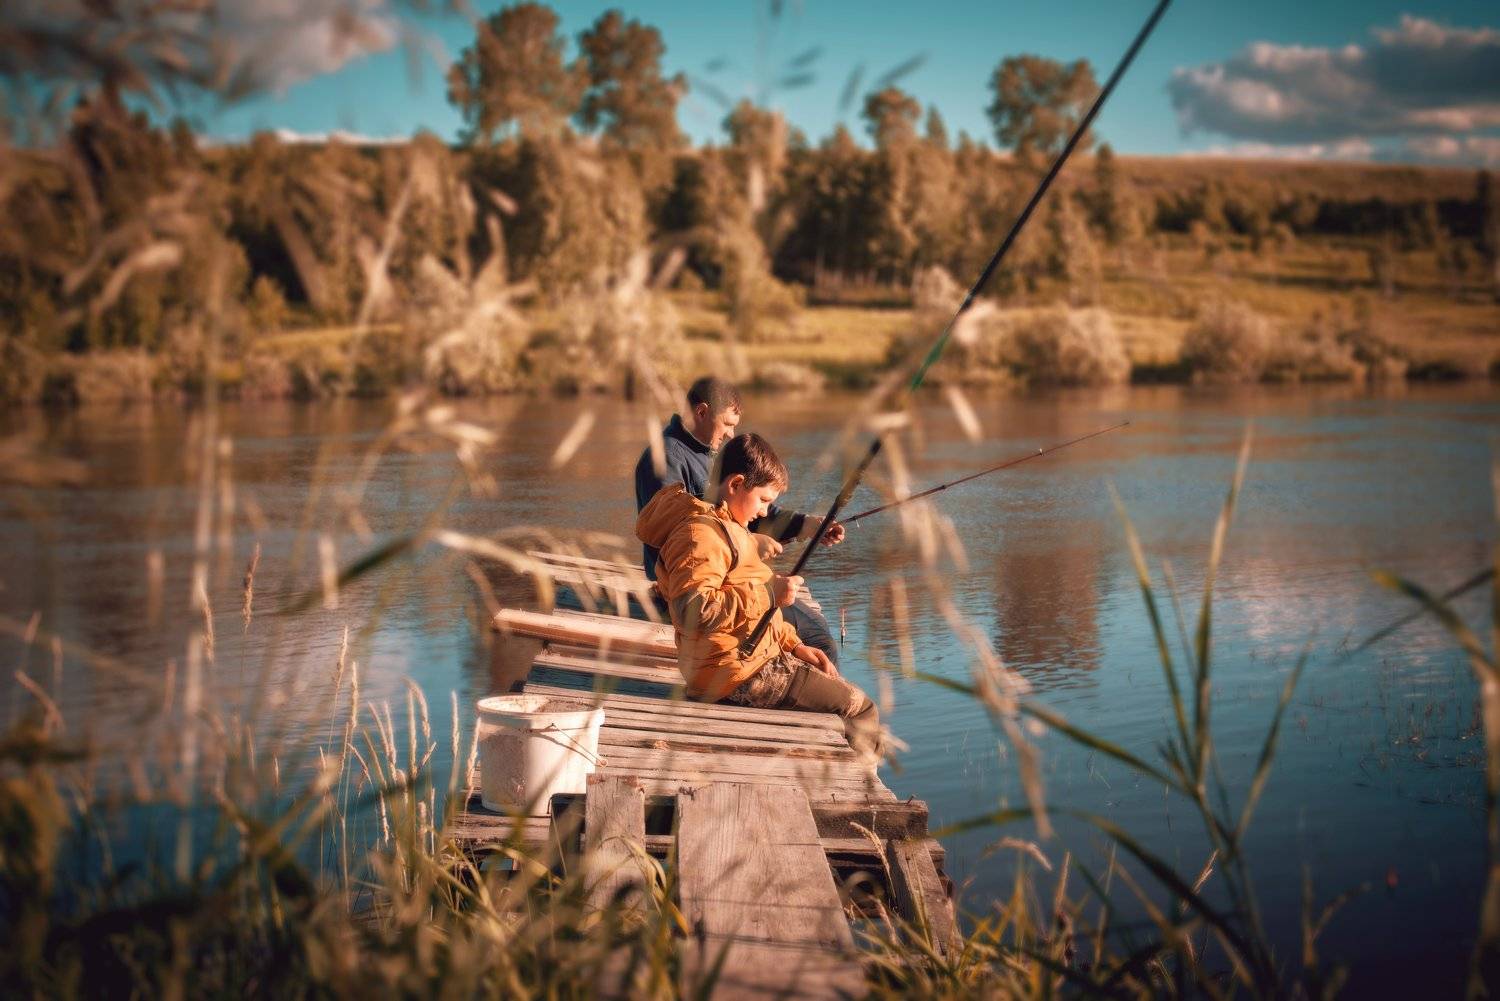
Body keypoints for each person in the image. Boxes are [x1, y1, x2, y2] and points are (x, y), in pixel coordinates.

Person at [636, 433, 879, 756]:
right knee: (861, 710)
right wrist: (767, 593)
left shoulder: (724, 525)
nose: (765, 512)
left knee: (830, 676)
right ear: (736, 484)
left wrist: (794, 645)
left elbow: (748, 610)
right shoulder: (700, 535)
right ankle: (861, 784)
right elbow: (692, 611)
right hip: (736, 676)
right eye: (763, 500)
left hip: (743, 663)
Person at [632, 376, 844, 664]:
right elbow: (674, 535)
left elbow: (750, 509)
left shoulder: (707, 453)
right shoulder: (665, 459)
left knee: (814, 627)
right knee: (819, 637)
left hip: (725, 577)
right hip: (688, 591)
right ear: (702, 412)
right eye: (728, 424)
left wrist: (808, 525)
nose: (731, 434)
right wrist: (747, 543)